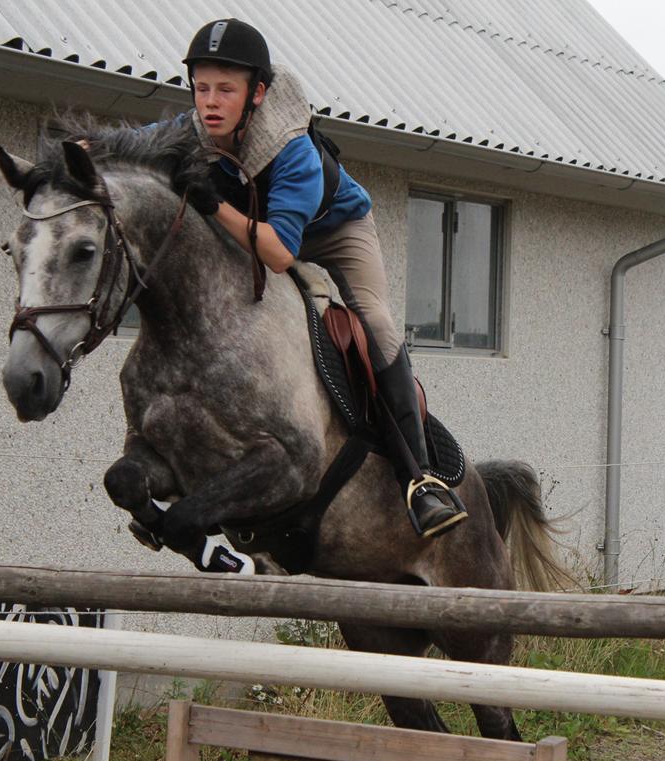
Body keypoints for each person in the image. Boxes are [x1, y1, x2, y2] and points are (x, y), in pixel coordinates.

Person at [180, 18, 466, 539]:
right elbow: (140, 140)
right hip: (262, 229)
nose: (210, 102)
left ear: (257, 93)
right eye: (202, 89)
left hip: (334, 231)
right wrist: (87, 149)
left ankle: (420, 480)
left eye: (225, 89)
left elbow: (280, 254)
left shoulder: (292, 150)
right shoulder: (198, 127)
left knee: (375, 322)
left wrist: (215, 205)